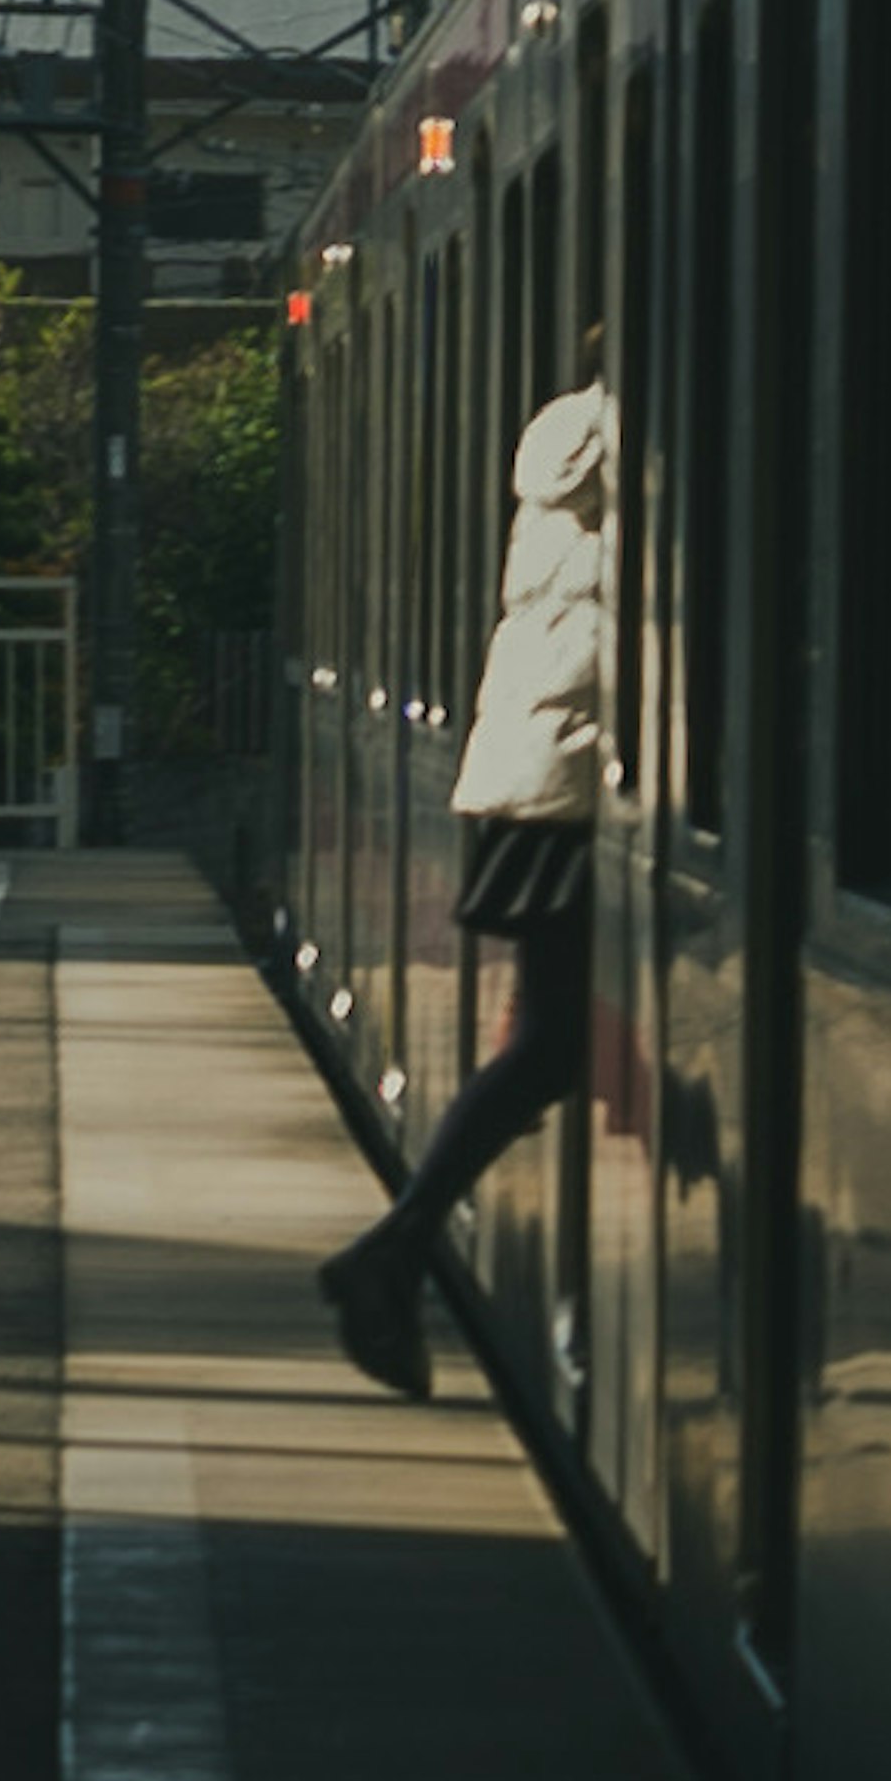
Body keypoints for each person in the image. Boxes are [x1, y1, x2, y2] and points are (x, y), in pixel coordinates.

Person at [318, 367, 610, 1401]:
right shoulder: (638, 446)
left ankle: (396, 1252)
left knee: (543, 1035)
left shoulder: (565, 435)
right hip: (570, 775)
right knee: (548, 1047)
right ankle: (394, 1248)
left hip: (523, 768)